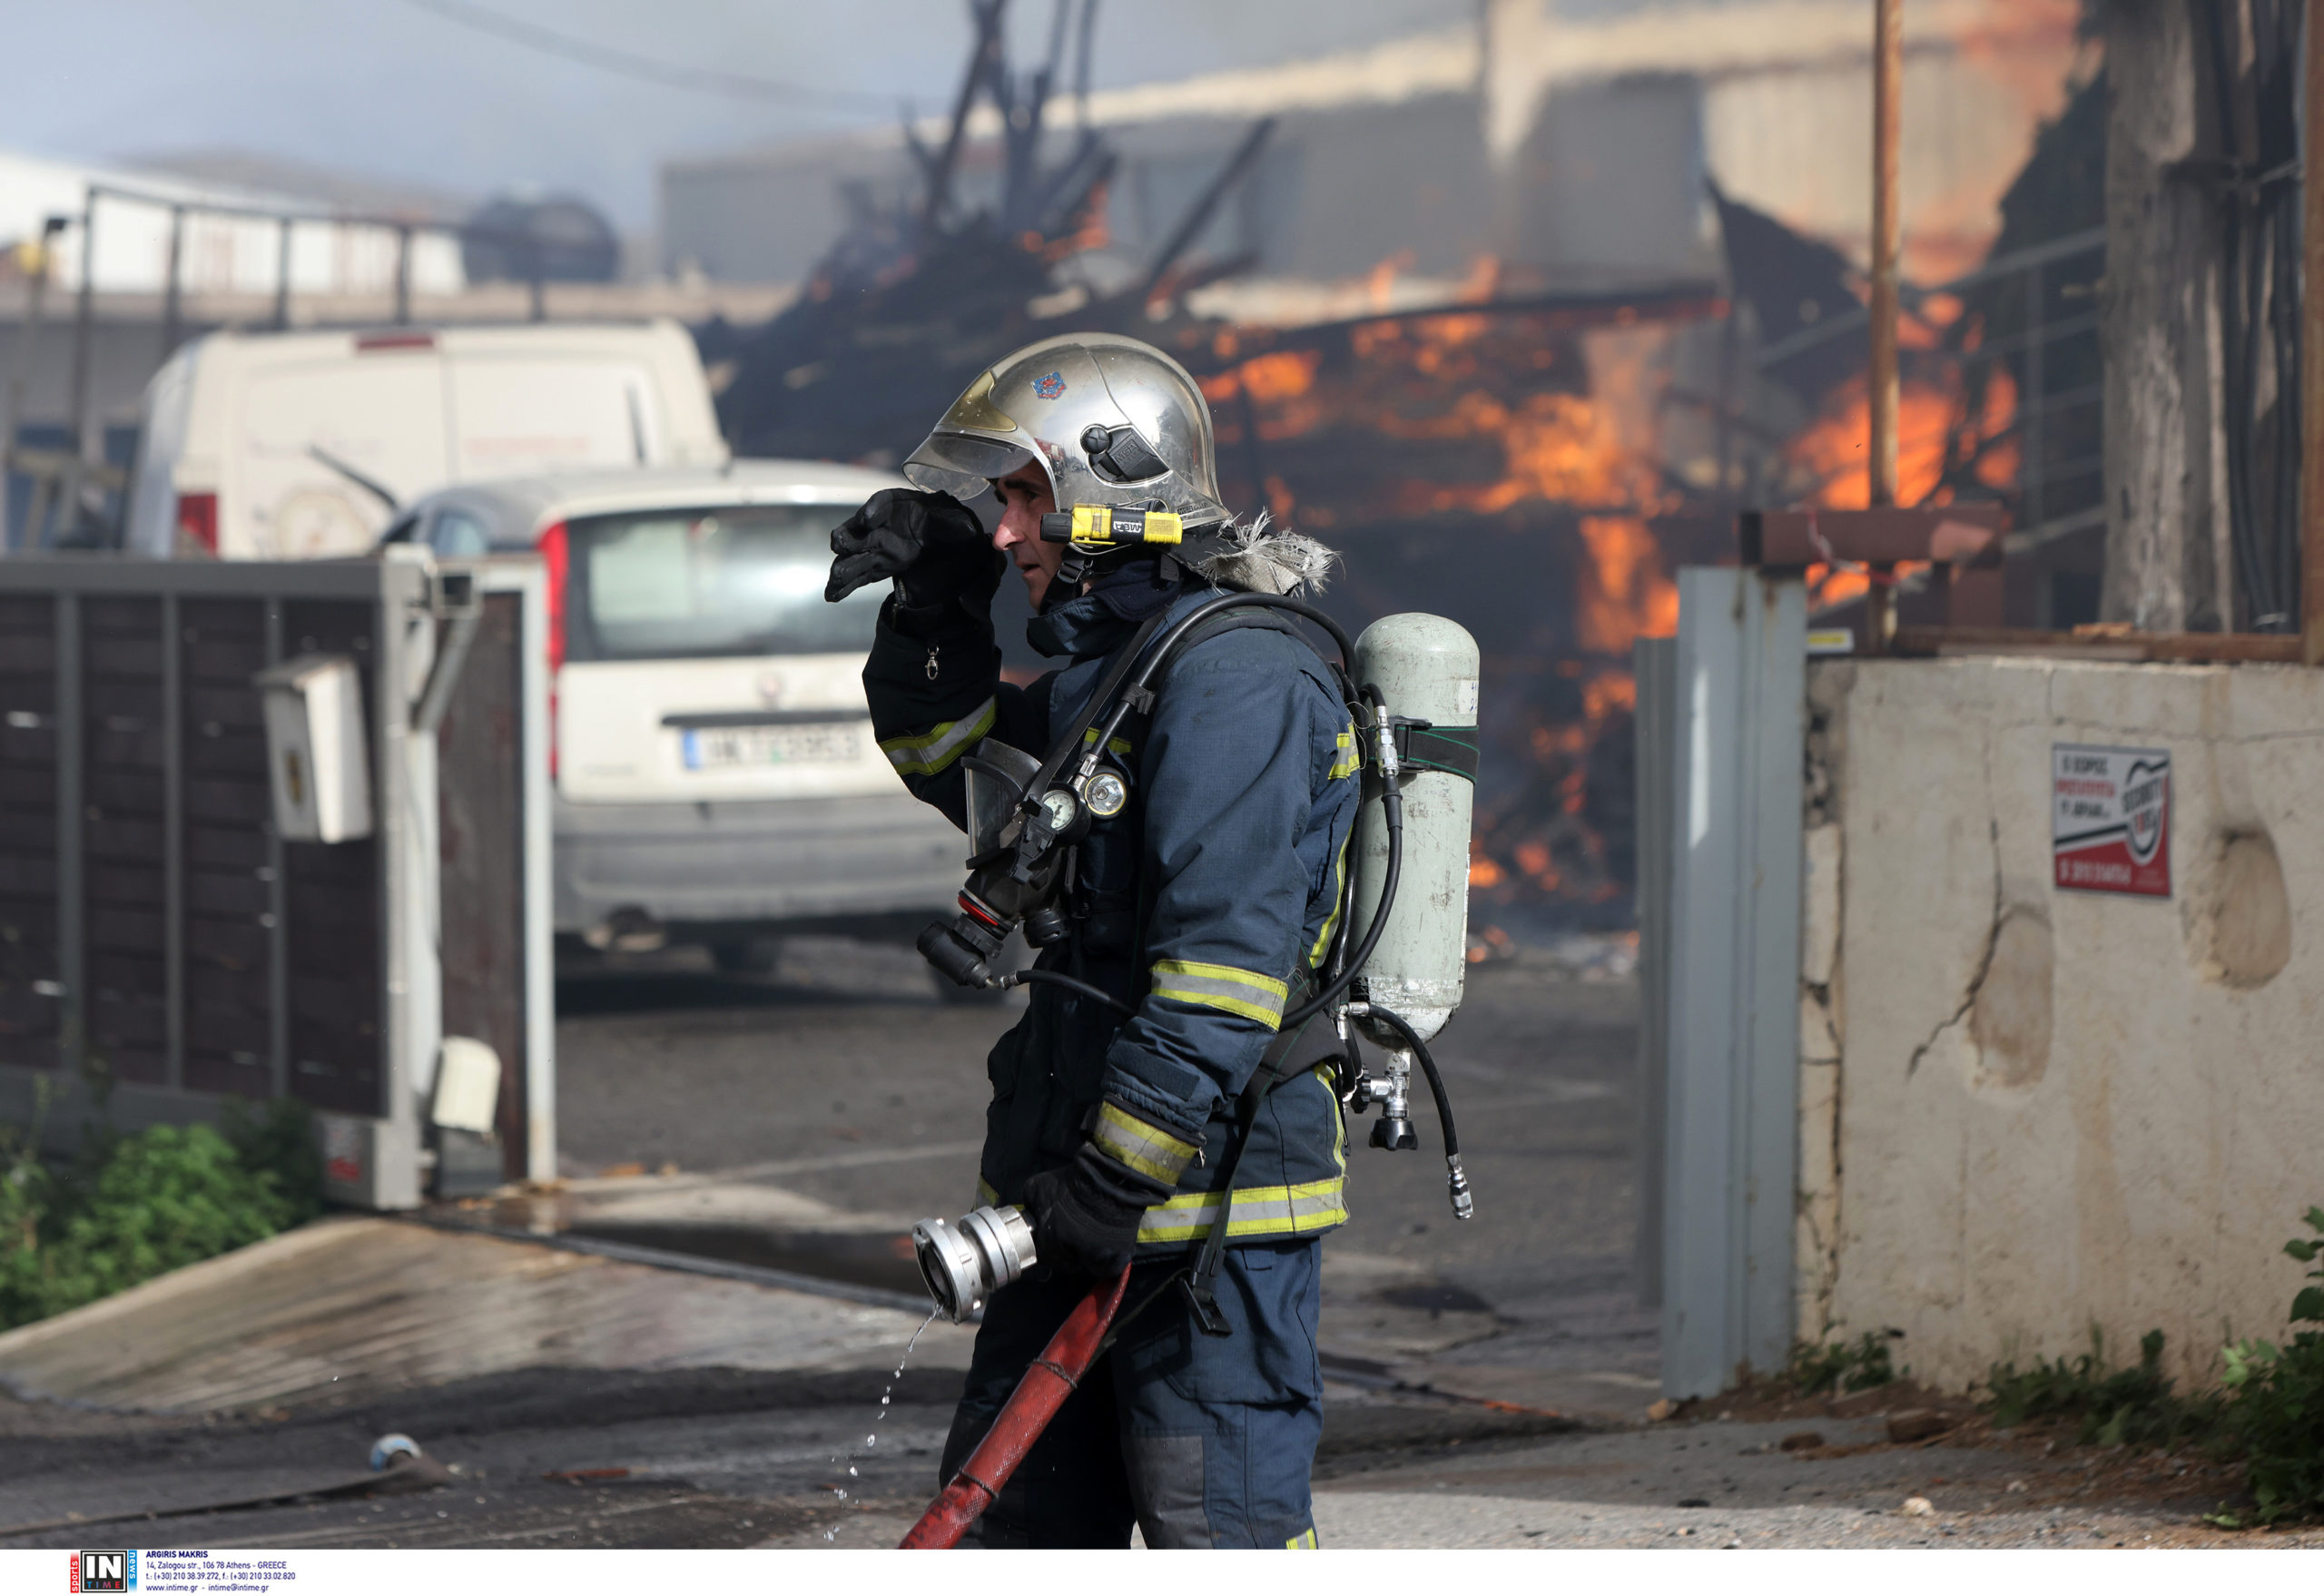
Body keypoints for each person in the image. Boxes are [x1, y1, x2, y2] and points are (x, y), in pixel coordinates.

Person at [825, 333, 1355, 1549]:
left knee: (1217, 1543)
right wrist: (931, 609)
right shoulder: (1109, 679)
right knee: (1011, 1541)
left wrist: (1116, 1175)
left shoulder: (1238, 681)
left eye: (1025, 496)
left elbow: (1225, 973)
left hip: (1201, 1228)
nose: (1007, 531)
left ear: (1116, 488)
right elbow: (956, 771)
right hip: (1068, 1211)